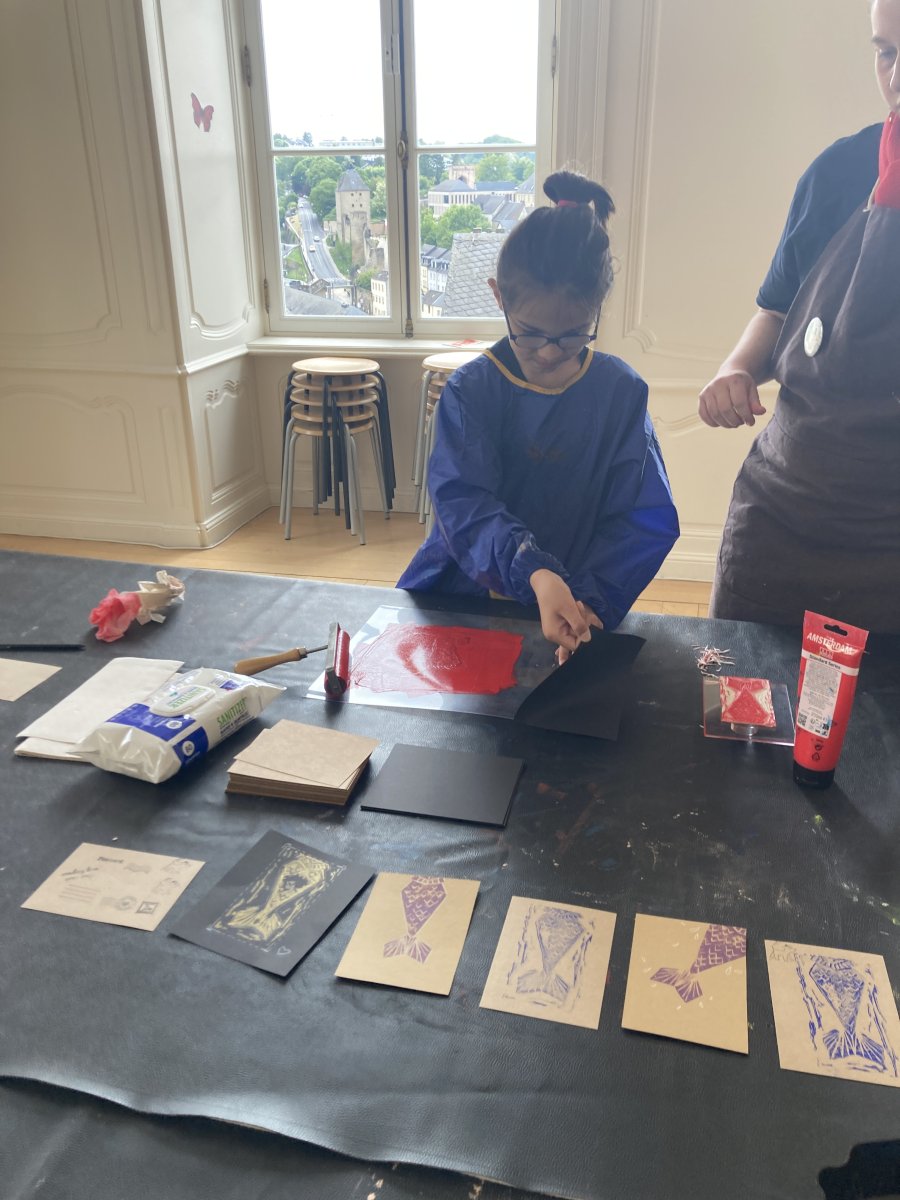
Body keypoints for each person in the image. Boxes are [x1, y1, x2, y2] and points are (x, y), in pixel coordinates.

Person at [398, 170, 680, 658]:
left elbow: (642, 517)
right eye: (529, 333)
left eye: (572, 335)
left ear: (598, 310)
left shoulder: (620, 392)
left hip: (578, 604)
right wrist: (534, 569)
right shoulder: (471, 392)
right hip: (468, 598)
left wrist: (591, 601)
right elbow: (464, 505)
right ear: (498, 296)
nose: (549, 353)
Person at [699, 0, 900, 631]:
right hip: (783, 519)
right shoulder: (837, 172)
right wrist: (735, 369)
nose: (896, 77)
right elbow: (776, 309)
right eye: (886, 52)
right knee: (749, 687)